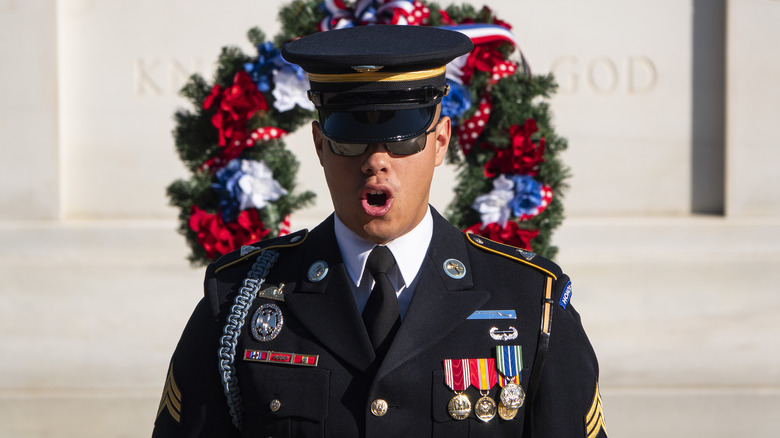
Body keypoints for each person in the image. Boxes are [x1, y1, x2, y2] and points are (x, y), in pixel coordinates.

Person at [153, 25, 607, 438]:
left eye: (402, 133)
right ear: (318, 145)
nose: (376, 160)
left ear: (441, 142)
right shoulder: (238, 298)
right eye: (349, 135)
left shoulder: (529, 300)